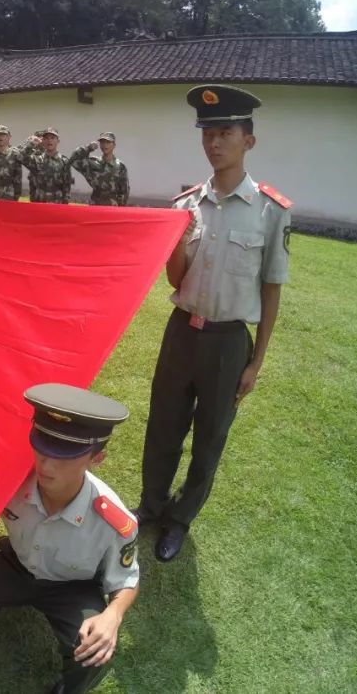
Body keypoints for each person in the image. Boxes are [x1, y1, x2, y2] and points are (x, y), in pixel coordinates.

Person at [135, 84, 291, 562]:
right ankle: (150, 505)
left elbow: (271, 288)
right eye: (207, 133)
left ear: (249, 140)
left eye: (225, 132)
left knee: (209, 436)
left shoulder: (270, 211)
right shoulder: (185, 204)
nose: (213, 143)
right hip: (182, 331)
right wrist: (178, 242)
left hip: (228, 343)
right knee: (163, 424)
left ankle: (179, 520)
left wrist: (255, 362)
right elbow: (176, 276)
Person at [0, 383, 139, 694]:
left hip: (71, 589)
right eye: (42, 448)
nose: (46, 464)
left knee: (92, 653)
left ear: (97, 459)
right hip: (14, 566)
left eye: (64, 456)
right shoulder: (11, 478)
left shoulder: (112, 520)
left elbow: (126, 579)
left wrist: (113, 614)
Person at [70, 133, 130, 206]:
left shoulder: (120, 166)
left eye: (108, 142)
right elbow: (73, 160)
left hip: (113, 208)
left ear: (114, 145)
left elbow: (124, 191)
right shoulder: (92, 163)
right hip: (95, 206)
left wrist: (120, 209)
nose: (105, 145)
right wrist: (88, 148)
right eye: (102, 142)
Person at [24, 127, 76, 203]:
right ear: (43, 141)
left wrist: (65, 204)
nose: (49, 141)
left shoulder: (64, 161)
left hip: (57, 204)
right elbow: (21, 157)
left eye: (52, 138)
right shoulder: (36, 159)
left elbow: (66, 186)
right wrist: (30, 144)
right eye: (46, 138)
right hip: (38, 203)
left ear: (58, 141)